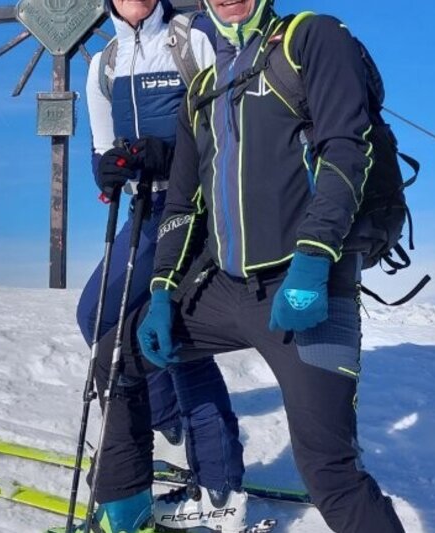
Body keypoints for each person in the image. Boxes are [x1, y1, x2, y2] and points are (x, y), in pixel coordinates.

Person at [88, 0, 409, 531]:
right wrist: (166, 290)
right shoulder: (205, 86)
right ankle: (125, 504)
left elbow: (345, 152)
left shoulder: (311, 39)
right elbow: (184, 203)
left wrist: (313, 259)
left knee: (329, 471)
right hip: (226, 289)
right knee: (117, 356)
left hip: (311, 292)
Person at [75, 0, 248, 531]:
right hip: (146, 208)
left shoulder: (190, 38)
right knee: (98, 316)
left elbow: (232, 127)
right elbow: (104, 148)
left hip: (201, 208)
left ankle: (219, 485)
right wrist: (110, 171)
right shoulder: (103, 60)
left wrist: (168, 154)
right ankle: (170, 429)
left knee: (171, 335)